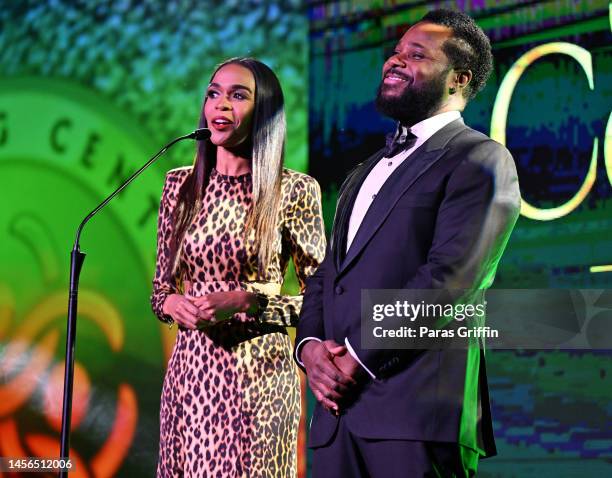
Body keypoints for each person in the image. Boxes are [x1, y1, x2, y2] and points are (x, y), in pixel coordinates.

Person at [295, 9, 521, 477]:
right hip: (338, 419)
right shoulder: (363, 171)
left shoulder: (481, 158)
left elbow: (450, 279)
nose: (394, 61)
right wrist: (312, 347)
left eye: (416, 55)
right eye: (395, 52)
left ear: (459, 79)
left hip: (418, 415)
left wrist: (355, 356)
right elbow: (327, 273)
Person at [151, 57, 325, 477]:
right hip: (190, 376)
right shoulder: (180, 185)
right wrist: (174, 305)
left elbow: (323, 298)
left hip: (259, 380)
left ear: (263, 110)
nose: (220, 105)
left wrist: (253, 301)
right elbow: (160, 290)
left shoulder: (295, 190)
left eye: (237, 95)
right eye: (213, 93)